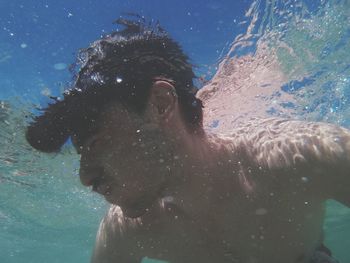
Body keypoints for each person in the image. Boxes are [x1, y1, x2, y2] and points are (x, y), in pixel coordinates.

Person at [25, 18, 347, 263]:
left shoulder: (299, 157)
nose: (85, 177)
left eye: (95, 143)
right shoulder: (125, 229)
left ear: (161, 103)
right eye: (80, 153)